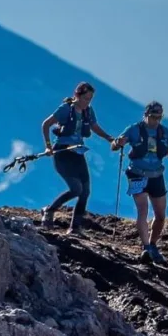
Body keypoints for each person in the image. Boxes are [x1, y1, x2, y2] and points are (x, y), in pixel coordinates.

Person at [111, 101, 168, 263]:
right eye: (153, 117)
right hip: (137, 174)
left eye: (159, 117)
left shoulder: (164, 132)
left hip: (157, 175)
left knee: (160, 215)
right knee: (142, 210)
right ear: (146, 115)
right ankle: (146, 248)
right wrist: (118, 143)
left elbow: (167, 150)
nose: (156, 120)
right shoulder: (134, 129)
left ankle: (153, 244)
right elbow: (114, 146)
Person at [39, 82, 115, 234]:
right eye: (86, 98)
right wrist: (48, 146)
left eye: (90, 99)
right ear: (77, 96)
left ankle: (75, 227)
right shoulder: (65, 109)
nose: (88, 102)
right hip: (63, 153)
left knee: (85, 191)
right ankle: (49, 210)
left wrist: (109, 138)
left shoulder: (88, 111)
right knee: (76, 189)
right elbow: (46, 125)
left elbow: (94, 126)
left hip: (78, 153)